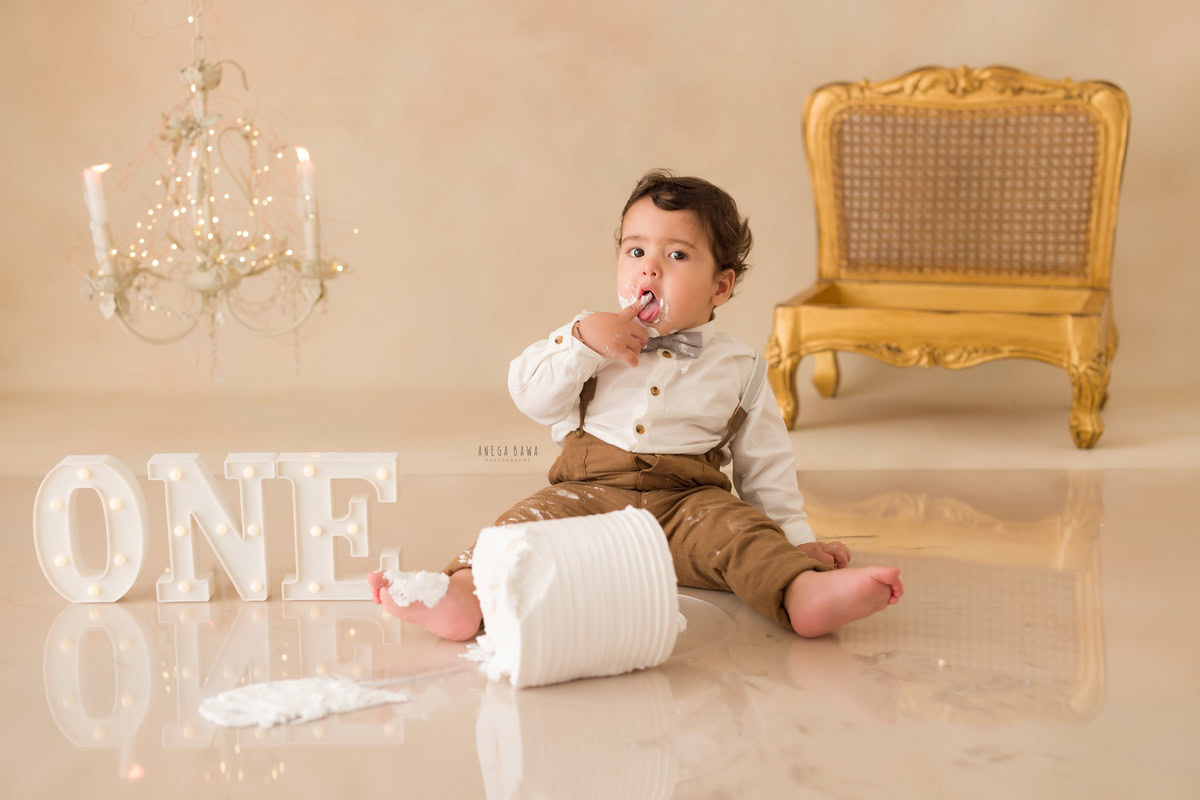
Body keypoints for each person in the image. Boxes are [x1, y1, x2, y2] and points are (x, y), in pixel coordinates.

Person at [367, 168, 903, 641]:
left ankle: (802, 595)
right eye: (635, 250)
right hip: (585, 498)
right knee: (518, 530)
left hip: (688, 508)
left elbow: (766, 468)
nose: (649, 269)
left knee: (742, 536)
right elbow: (532, 398)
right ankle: (465, 599)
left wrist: (795, 542)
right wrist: (579, 340)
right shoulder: (585, 340)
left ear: (720, 286)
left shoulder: (740, 367)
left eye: (676, 255)